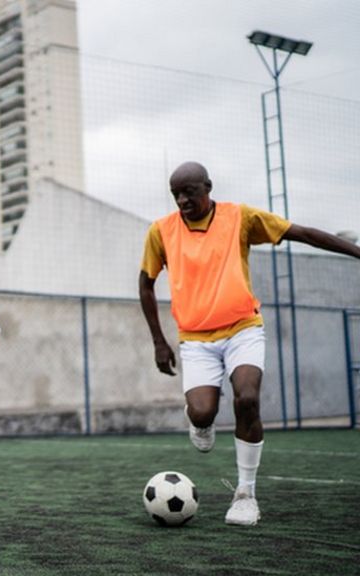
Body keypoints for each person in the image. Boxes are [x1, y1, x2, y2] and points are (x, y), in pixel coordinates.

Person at [139, 161, 360, 526]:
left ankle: (245, 494)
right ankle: (200, 420)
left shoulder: (239, 218)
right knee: (202, 411)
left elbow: (300, 232)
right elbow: (145, 284)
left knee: (247, 398)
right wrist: (159, 342)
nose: (182, 200)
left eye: (189, 192)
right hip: (195, 339)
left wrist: (355, 251)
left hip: (243, 328)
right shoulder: (161, 231)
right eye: (176, 194)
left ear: (207, 187)